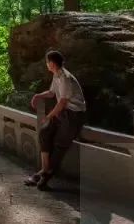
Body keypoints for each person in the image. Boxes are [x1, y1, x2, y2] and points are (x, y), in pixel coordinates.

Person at [25, 50, 87, 191]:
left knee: (59, 144)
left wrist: (49, 116)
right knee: (44, 133)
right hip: (63, 113)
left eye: (47, 62)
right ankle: (44, 170)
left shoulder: (65, 77)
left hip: (73, 115)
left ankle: (46, 176)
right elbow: (52, 93)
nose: (46, 65)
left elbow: (62, 102)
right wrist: (38, 95)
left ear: (52, 63)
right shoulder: (56, 75)